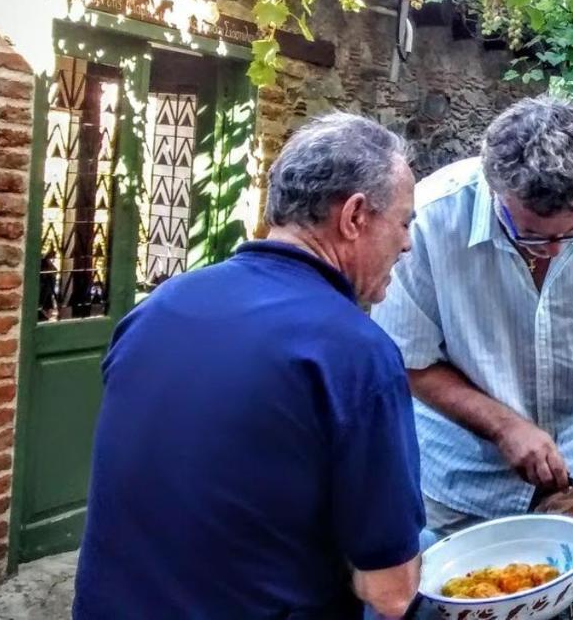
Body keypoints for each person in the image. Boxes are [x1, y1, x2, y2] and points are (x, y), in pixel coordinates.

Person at [74, 113, 425, 619]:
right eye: (404, 222)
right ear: (354, 217)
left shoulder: (158, 306)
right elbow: (390, 591)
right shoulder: (356, 352)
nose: (408, 243)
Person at [372, 97, 573, 538]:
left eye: (572, 231)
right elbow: (408, 359)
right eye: (531, 234)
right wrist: (503, 426)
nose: (554, 250)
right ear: (495, 188)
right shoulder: (431, 220)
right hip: (461, 484)